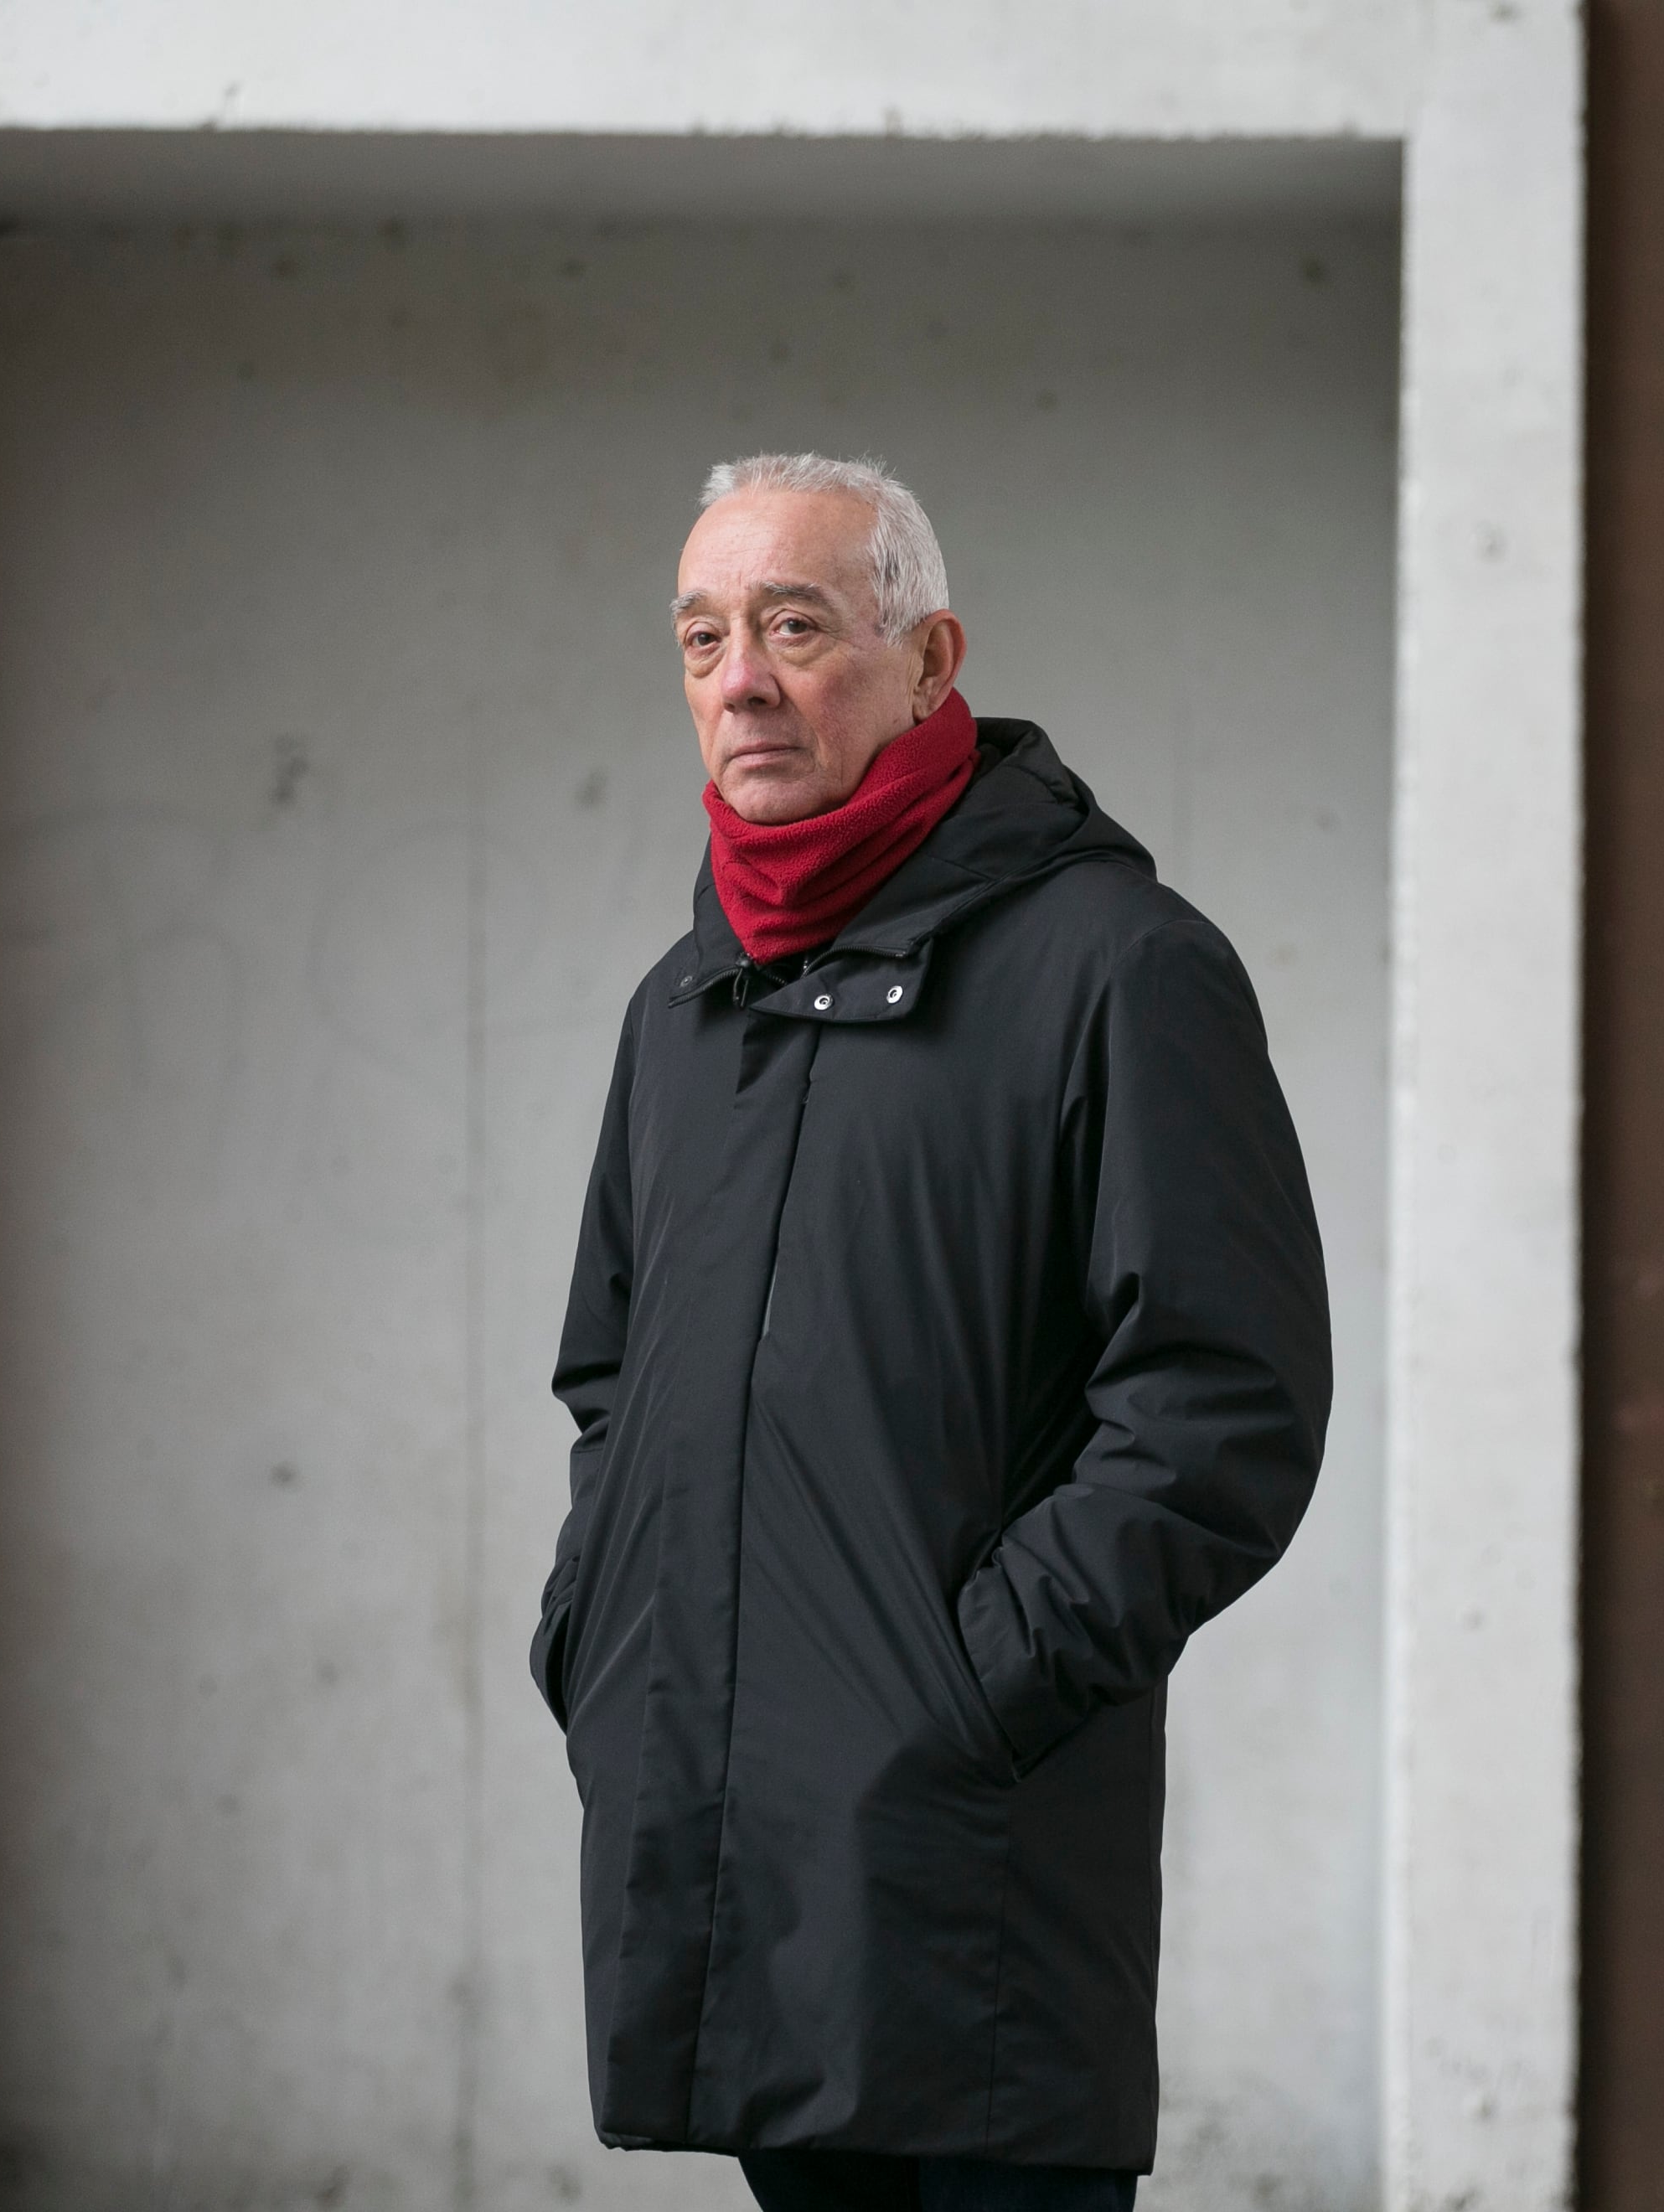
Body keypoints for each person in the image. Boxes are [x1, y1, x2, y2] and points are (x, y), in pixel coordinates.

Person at [531, 452, 1332, 2212]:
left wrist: (969, 1693)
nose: (739, 676)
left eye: (796, 625)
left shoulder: (1120, 970)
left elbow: (1222, 1404)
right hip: (735, 1852)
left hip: (975, 1860)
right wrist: (603, 1641)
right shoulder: (686, 1011)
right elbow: (614, 1379)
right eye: (701, 637)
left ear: (930, 659)